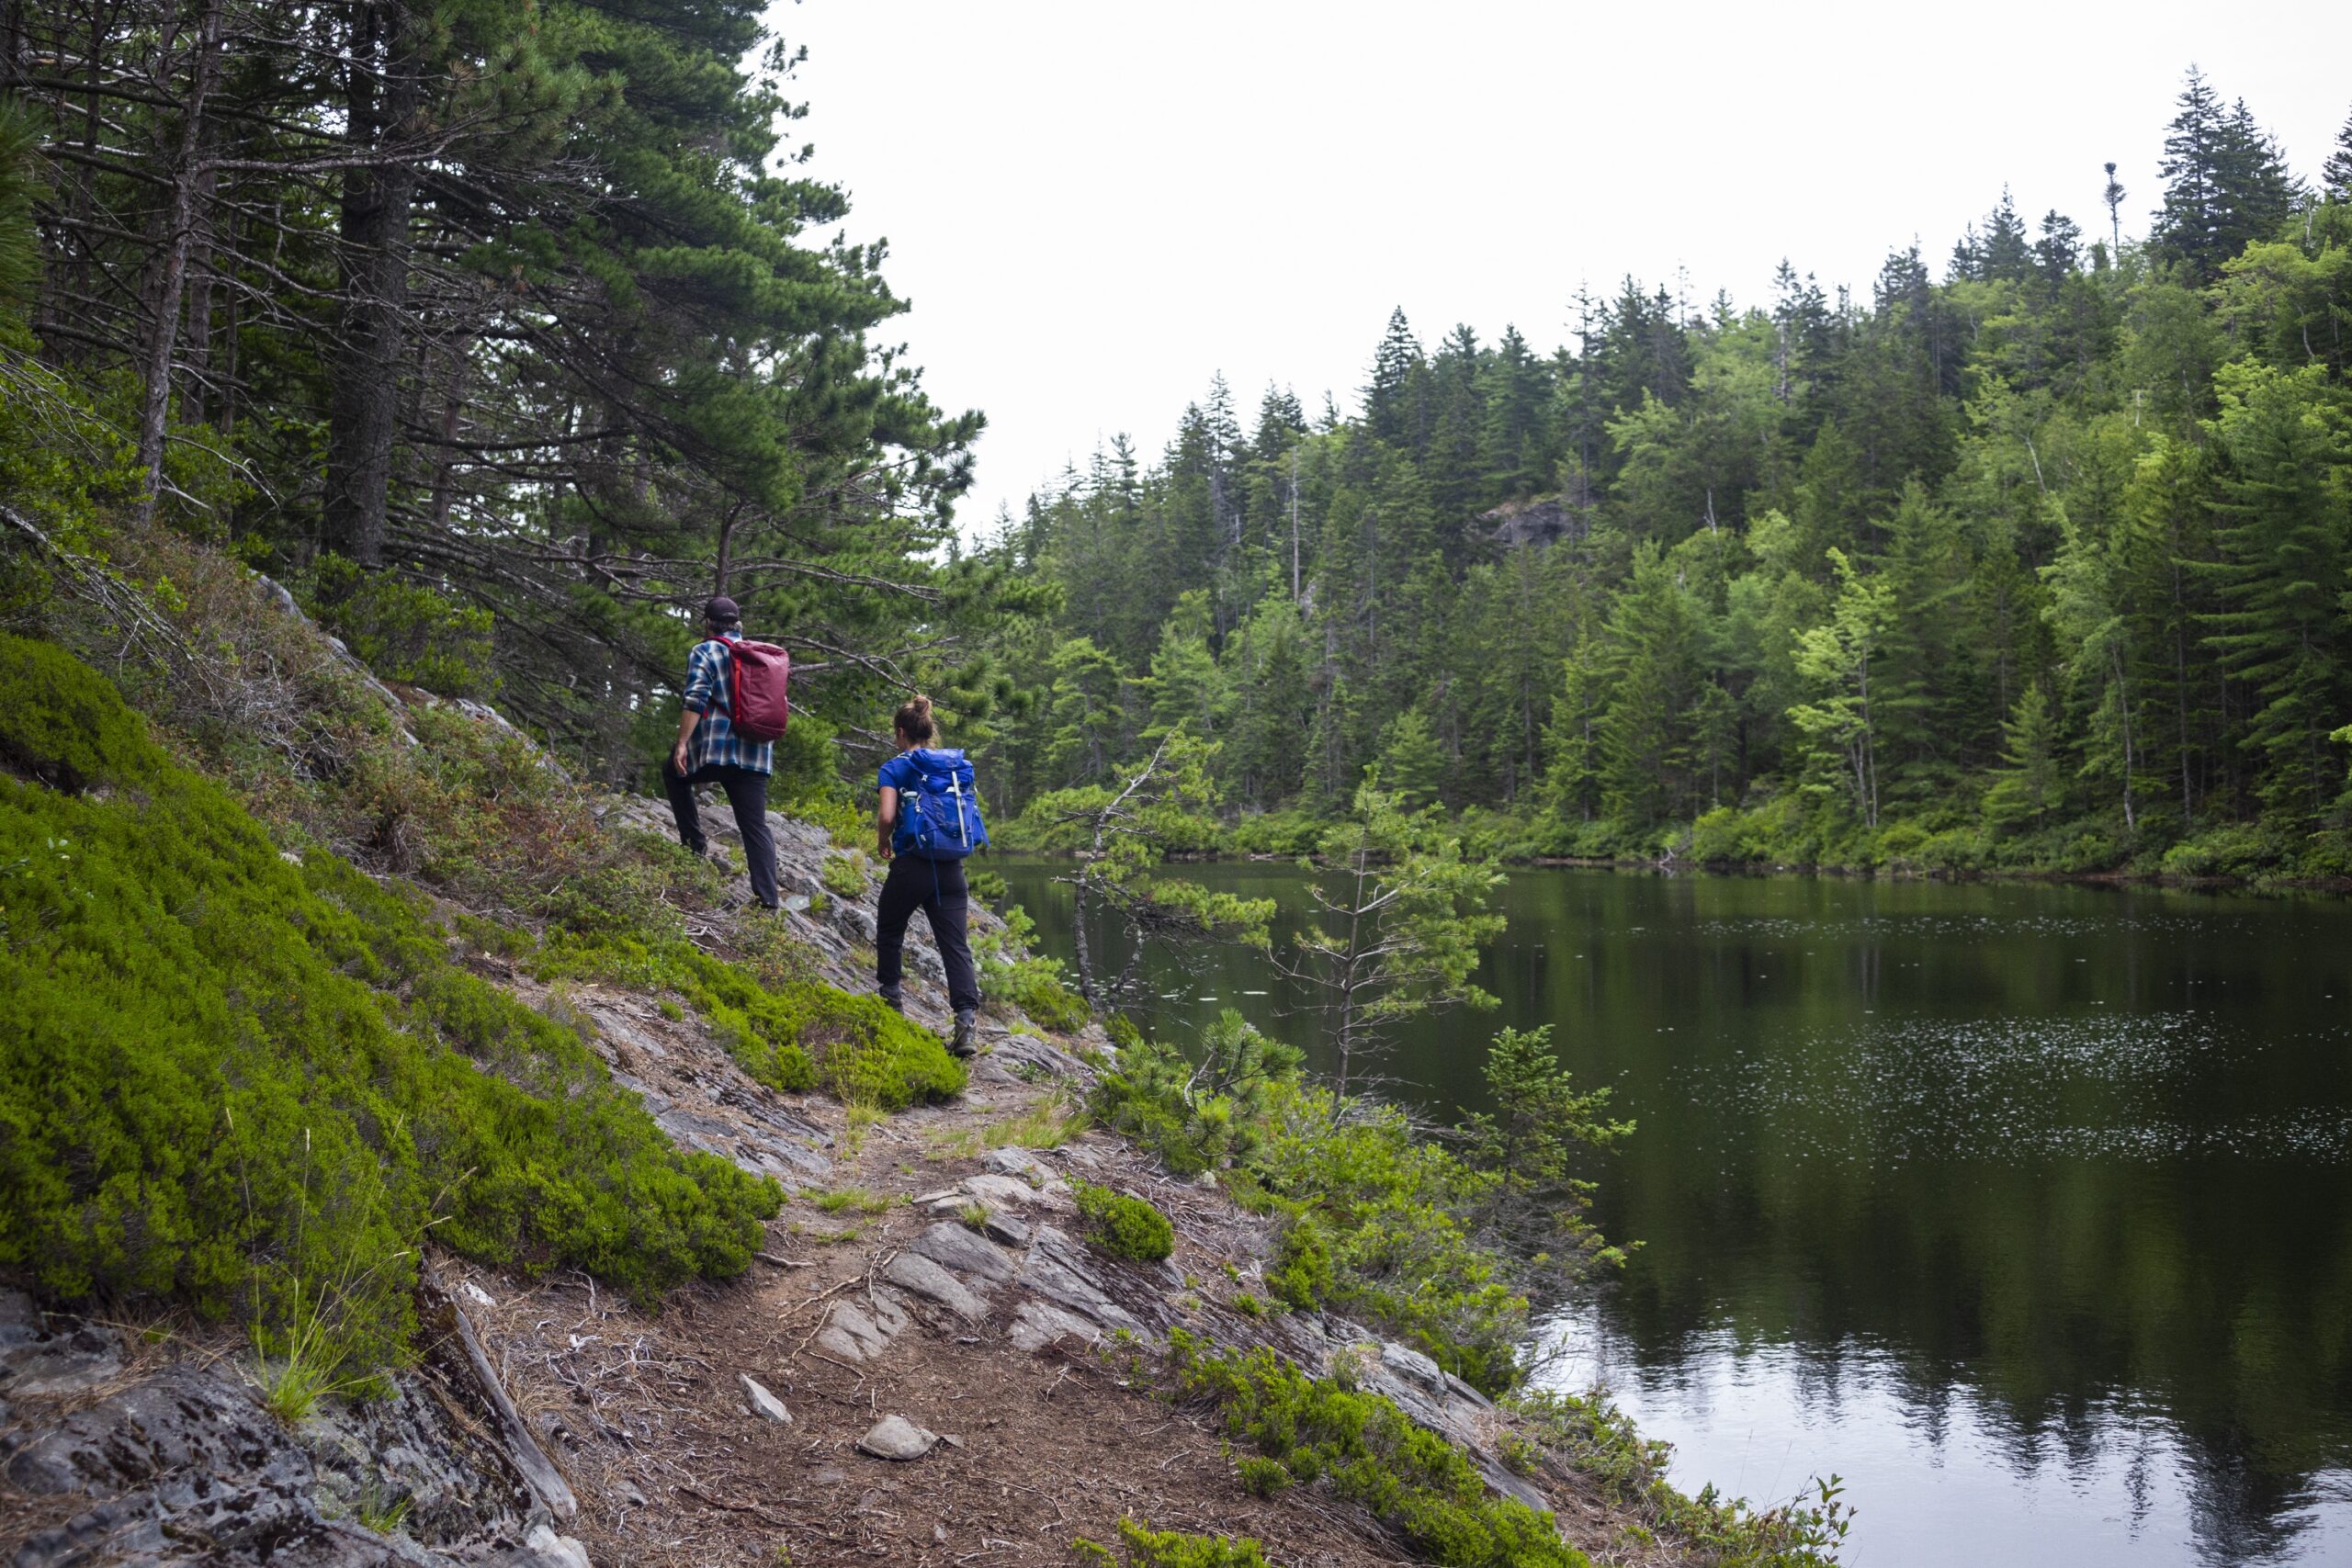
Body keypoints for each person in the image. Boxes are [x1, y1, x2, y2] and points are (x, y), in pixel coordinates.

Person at [874, 694, 981, 1056]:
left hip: (911, 866)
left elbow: (887, 816)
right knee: (955, 945)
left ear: (900, 732)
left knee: (890, 930)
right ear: (929, 730)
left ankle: (891, 1007)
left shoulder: (895, 767)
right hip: (951, 869)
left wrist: (883, 840)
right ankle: (965, 1026)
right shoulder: (952, 765)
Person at [664, 595, 781, 910]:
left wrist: (682, 744)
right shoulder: (761, 656)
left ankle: (694, 846)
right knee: (755, 825)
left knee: (673, 774)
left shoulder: (705, 650)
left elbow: (695, 698)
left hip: (716, 751)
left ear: (708, 623)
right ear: (738, 623)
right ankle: (768, 900)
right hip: (756, 753)